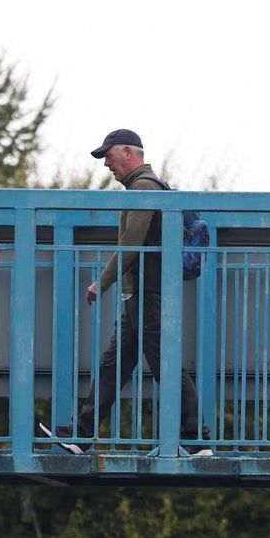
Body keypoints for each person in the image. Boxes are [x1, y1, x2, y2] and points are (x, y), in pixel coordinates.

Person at [39, 129, 211, 456]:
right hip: (140, 294)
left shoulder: (144, 188)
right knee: (113, 367)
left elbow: (132, 242)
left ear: (129, 153)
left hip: (147, 293)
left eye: (109, 155)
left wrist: (102, 282)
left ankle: (196, 439)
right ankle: (80, 435)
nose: (106, 163)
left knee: (165, 365)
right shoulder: (143, 187)